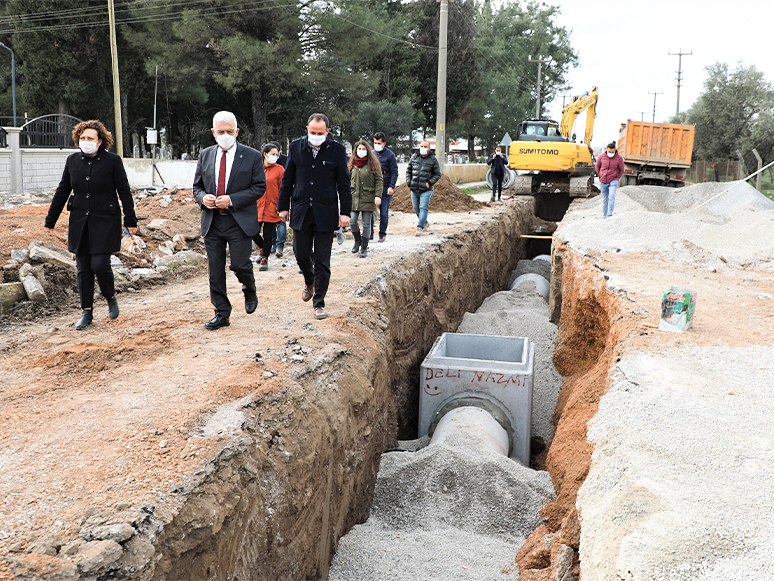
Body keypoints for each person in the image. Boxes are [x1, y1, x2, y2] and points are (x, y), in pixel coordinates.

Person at [44, 120, 137, 330]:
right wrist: (50, 221)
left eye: (90, 138)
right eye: (82, 138)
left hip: (105, 220)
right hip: (80, 222)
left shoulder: (112, 161)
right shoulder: (72, 161)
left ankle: (110, 296)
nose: (85, 142)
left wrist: (130, 220)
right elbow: (62, 191)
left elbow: (124, 190)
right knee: (83, 268)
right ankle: (86, 312)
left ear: (100, 141)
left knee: (100, 264)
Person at [192, 111, 266, 330]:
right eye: (221, 131)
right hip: (212, 221)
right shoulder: (205, 155)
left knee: (240, 265)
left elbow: (259, 187)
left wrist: (232, 200)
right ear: (213, 132)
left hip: (239, 221)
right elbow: (197, 187)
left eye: (230, 131)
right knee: (215, 270)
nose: (225, 135)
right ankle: (222, 312)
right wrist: (202, 198)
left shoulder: (251, 156)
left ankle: (249, 288)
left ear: (237, 132)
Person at [277, 113, 351, 320]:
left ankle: (319, 302)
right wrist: (283, 207)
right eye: (312, 132)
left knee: (322, 260)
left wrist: (345, 212)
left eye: (320, 133)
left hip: (326, 212)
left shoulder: (337, 151)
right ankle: (310, 281)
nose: (316, 136)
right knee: (301, 255)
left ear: (327, 131)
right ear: (307, 129)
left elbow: (344, 185)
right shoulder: (295, 148)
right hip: (301, 210)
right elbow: (287, 180)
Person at [348, 139, 383, 258]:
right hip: (354, 197)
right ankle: (357, 240)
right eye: (359, 149)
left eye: (363, 149)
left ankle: (364, 247)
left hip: (369, 197)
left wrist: (378, 196)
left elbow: (379, 180)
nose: (361, 151)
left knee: (366, 224)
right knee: (352, 221)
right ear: (355, 150)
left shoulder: (373, 163)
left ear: (367, 150)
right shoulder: (352, 163)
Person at [253, 143, 284, 271]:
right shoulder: (257, 168)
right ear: (265, 154)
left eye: (277, 155)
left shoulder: (280, 170)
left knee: (268, 235)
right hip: (257, 206)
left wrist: (283, 206)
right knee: (252, 231)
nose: (275, 157)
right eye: (273, 154)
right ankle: (261, 248)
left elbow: (283, 189)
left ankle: (264, 258)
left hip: (272, 206)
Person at [406, 140, 441, 236]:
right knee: (416, 208)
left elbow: (437, 174)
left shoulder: (433, 159)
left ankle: (420, 226)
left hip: (426, 189)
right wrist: (409, 182)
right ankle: (425, 222)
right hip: (414, 188)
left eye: (425, 146)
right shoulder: (414, 157)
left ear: (429, 148)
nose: (423, 148)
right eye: (421, 146)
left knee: (423, 207)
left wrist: (429, 183)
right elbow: (408, 171)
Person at [371, 132, 398, 243]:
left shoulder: (390, 155)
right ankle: (370, 233)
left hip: (385, 187)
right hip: (372, 188)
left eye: (379, 143)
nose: (376, 144)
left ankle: (382, 234)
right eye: (375, 142)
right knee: (370, 211)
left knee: (383, 212)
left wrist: (391, 186)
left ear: (384, 143)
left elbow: (395, 172)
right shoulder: (371, 154)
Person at [595, 141, 625, 218]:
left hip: (613, 180)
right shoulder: (601, 157)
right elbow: (597, 167)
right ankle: (604, 215)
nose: (611, 153)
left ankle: (609, 214)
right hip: (603, 180)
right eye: (609, 151)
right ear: (607, 150)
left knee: (611, 196)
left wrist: (617, 177)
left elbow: (621, 169)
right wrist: (600, 175)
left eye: (612, 152)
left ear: (615, 150)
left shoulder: (619, 158)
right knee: (605, 199)